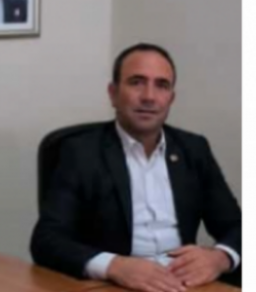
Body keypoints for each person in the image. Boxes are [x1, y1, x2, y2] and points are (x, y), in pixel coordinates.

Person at [30, 43, 242, 292]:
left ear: (171, 98)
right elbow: (47, 240)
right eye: (136, 82)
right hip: (116, 284)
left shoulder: (193, 149)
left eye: (161, 85)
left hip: (185, 283)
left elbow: (236, 226)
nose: (149, 96)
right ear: (113, 93)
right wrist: (114, 266)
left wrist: (220, 258)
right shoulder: (80, 152)